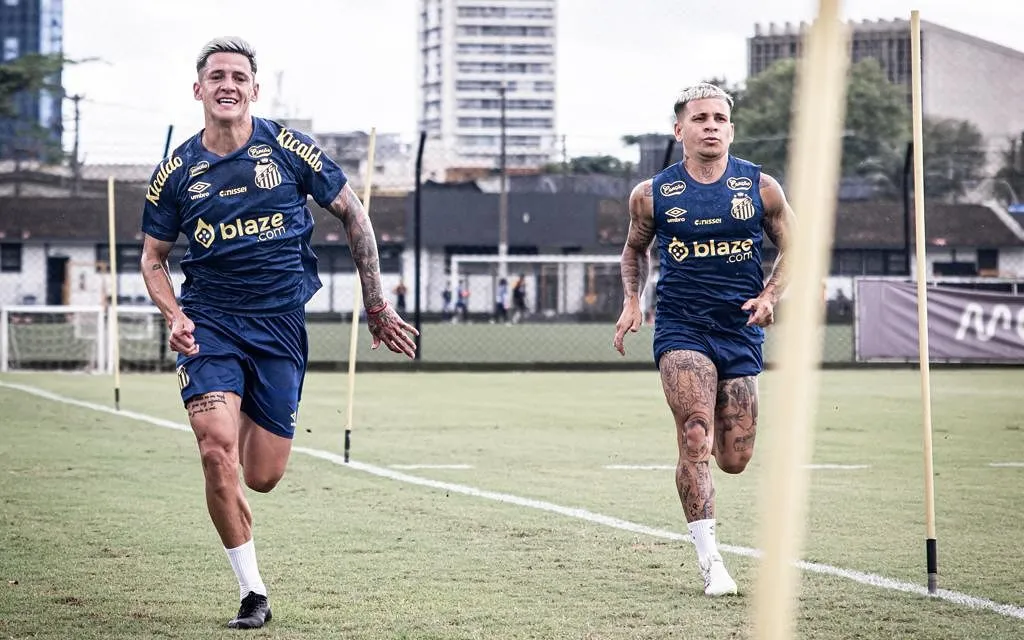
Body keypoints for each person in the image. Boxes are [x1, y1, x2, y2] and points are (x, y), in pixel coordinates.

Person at [139, 37, 419, 629]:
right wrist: (174, 315)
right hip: (210, 323)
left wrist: (376, 305)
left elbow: (354, 213)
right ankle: (252, 593)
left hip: (279, 329)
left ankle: (239, 407)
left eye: (238, 76)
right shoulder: (176, 173)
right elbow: (152, 258)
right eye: (216, 76)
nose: (227, 85)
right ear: (199, 90)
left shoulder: (287, 148)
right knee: (216, 449)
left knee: (262, 476)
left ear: (253, 89)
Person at [612, 82, 794, 597]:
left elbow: (795, 245)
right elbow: (633, 252)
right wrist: (632, 301)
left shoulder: (761, 188)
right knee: (695, 433)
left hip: (739, 330)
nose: (710, 125)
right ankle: (712, 562)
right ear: (680, 130)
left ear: (731, 129)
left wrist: (770, 293)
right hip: (681, 328)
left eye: (719, 118)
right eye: (700, 118)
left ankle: (714, 454)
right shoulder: (652, 194)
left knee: (734, 457)